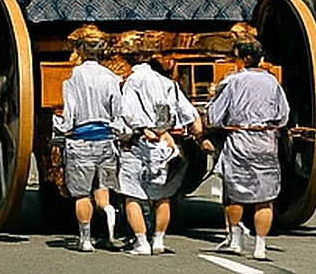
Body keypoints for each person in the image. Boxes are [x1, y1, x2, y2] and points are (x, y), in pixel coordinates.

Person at [204, 34, 290, 261]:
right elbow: (283, 115)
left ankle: (235, 240)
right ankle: (260, 246)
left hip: (240, 140)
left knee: (236, 195)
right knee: (265, 198)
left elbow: (214, 116)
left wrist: (213, 100)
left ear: (242, 58)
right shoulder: (272, 81)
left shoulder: (232, 81)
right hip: (266, 141)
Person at [114, 34, 199, 255]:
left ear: (128, 60)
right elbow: (189, 113)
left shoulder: (130, 83)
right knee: (163, 195)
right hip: (166, 144)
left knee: (132, 194)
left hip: (140, 143)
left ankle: (141, 242)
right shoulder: (167, 82)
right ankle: (159, 240)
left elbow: (127, 114)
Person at [53, 25, 123, 250]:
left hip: (82, 140)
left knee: (82, 194)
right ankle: (111, 224)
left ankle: (85, 240)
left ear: (81, 50)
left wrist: (61, 126)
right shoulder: (110, 77)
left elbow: (70, 113)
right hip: (105, 139)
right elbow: (117, 111)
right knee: (103, 193)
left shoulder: (74, 78)